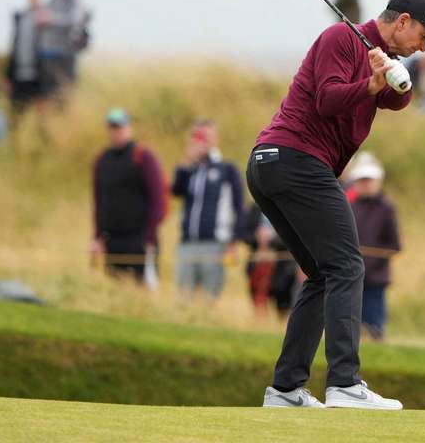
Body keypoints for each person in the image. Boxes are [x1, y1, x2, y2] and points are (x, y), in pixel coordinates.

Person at [247, 0, 425, 410]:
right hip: (295, 159)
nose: (424, 45)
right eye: (424, 34)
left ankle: (285, 390)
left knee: (323, 274)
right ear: (403, 21)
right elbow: (327, 100)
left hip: (276, 165)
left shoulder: (377, 54)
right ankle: (344, 382)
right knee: (347, 264)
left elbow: (399, 100)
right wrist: (370, 82)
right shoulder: (340, 39)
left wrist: (390, 75)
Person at [91, 108, 168, 283]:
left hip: (140, 240)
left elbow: (158, 201)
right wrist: (97, 237)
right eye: (112, 128)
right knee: (115, 289)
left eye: (120, 127)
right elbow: (98, 201)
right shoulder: (102, 160)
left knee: (142, 289)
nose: (116, 132)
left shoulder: (142, 157)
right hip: (112, 240)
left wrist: (149, 236)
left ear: (128, 128)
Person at [171, 119, 244, 301]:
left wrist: (233, 241)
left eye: (205, 136)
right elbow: (175, 190)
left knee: (209, 298)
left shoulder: (227, 169)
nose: (200, 141)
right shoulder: (191, 169)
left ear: (214, 139)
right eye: (197, 136)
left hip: (215, 244)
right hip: (188, 242)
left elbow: (240, 208)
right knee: (184, 298)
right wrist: (186, 162)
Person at [348, 154, 401, 341]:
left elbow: (394, 245)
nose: (366, 184)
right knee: (350, 326)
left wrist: (370, 262)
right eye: (362, 180)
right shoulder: (348, 207)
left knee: (374, 328)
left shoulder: (386, 208)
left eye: (369, 180)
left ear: (377, 181)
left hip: (375, 278)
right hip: (350, 276)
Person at [238, 204, 298, 316]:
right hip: (257, 263)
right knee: (258, 303)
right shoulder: (254, 209)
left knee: (283, 305)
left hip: (282, 266)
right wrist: (257, 237)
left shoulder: (288, 206)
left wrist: (271, 239)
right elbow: (244, 234)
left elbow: (295, 235)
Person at [38, 0, 90, 96]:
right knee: (48, 90)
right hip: (49, 50)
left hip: (66, 51)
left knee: (65, 89)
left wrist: (51, 19)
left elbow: (75, 19)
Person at [5, 0, 48, 118]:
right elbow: (14, 46)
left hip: (38, 77)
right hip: (19, 76)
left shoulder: (46, 16)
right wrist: (8, 75)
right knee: (15, 117)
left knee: (41, 120)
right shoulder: (20, 16)